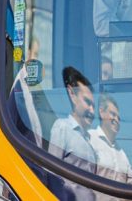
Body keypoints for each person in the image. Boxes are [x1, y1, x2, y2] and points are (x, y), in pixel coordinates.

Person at [48, 66, 98, 200]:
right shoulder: (62, 128)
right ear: (72, 94)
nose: (92, 111)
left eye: (94, 106)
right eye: (87, 102)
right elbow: (52, 175)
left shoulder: (88, 142)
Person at [89, 93, 132, 186]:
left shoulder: (122, 153)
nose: (117, 120)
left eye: (119, 118)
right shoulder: (89, 139)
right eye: (113, 114)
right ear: (101, 112)